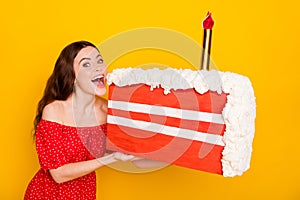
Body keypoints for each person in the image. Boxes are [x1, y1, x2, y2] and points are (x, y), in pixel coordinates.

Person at [24, 41, 165, 200]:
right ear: (71, 76)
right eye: (86, 64)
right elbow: (58, 174)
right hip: (48, 195)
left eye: (99, 61)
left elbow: (135, 159)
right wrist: (111, 158)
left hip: (85, 195)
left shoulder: (108, 111)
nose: (98, 67)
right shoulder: (54, 111)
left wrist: (175, 154)